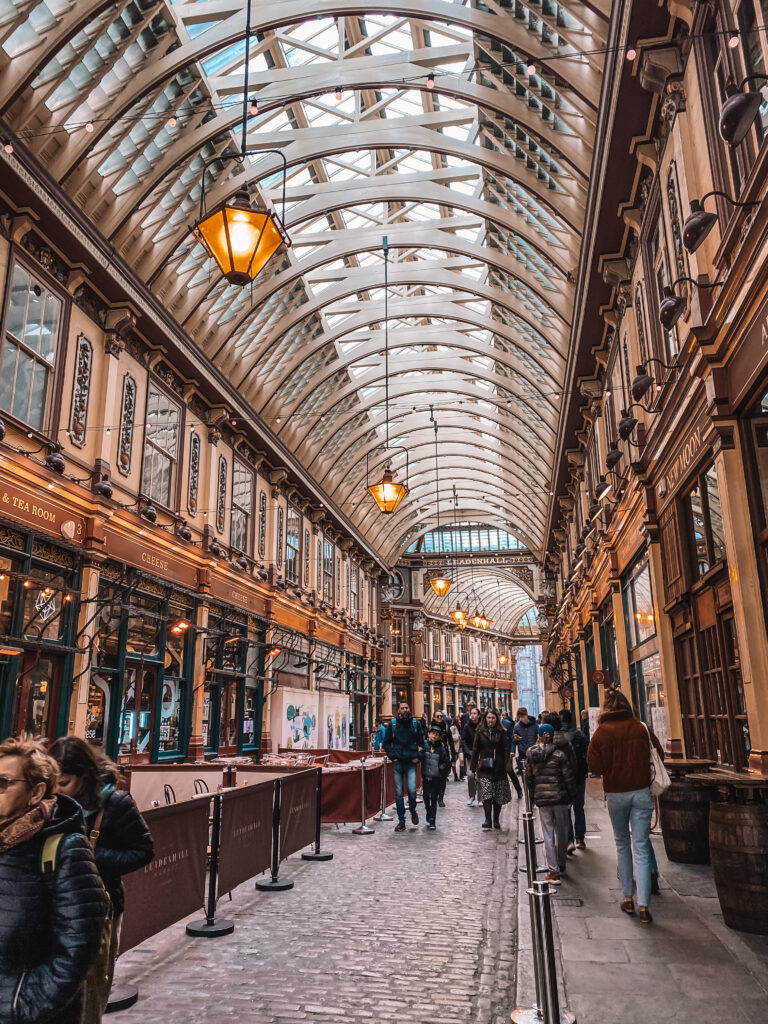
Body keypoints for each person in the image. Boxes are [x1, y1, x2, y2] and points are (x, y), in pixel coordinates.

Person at [0, 736, 108, 1024]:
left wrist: (23, 1005)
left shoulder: (63, 848)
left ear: (35, 792)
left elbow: (78, 945)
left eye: (3, 783)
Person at [49, 737, 154, 1024]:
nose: (57, 790)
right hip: (55, 908)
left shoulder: (115, 803)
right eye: (53, 782)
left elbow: (143, 851)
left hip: (99, 907)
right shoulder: (50, 803)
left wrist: (90, 855)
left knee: (90, 990)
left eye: (65, 782)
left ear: (84, 776)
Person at [587, 689, 664, 924]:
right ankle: (644, 906)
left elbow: (594, 767)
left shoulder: (602, 732)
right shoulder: (640, 728)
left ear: (606, 708)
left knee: (622, 844)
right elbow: (659, 753)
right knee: (640, 845)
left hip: (616, 794)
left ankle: (628, 897)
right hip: (641, 792)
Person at [525, 723, 575, 882]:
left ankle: (553, 870)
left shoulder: (531, 755)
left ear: (538, 736)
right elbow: (568, 777)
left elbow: (529, 779)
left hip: (543, 799)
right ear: (552, 736)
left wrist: (533, 796)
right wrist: (571, 796)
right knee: (562, 832)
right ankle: (561, 864)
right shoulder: (559, 755)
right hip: (560, 798)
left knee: (548, 834)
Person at [383, 701, 424, 831]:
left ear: (409, 709)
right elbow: (386, 743)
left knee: (412, 790)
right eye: (402, 708)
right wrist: (392, 756)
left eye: (407, 707)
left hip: (411, 762)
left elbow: (422, 743)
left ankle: (412, 809)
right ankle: (401, 820)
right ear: (398, 710)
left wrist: (418, 756)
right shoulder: (393, 725)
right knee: (399, 793)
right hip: (398, 763)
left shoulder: (415, 724)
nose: (405, 710)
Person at [470, 708, 512, 831]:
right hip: (484, 767)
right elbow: (475, 749)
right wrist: (472, 767)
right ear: (485, 719)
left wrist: (506, 765)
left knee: (498, 793)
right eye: (489, 718)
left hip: (499, 767)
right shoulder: (479, 731)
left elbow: (505, 749)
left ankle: (496, 819)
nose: (491, 720)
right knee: (487, 792)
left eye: (493, 718)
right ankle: (487, 819)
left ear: (497, 719)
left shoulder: (502, 732)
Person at [558, 708, 589, 851]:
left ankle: (569, 840)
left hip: (564, 779)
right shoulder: (580, 735)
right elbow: (587, 755)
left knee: (566, 810)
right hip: (578, 778)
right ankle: (580, 839)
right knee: (579, 808)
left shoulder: (557, 738)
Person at [421, 726, 451, 829]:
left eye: (437, 734)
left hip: (436, 777)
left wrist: (440, 769)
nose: (434, 736)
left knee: (433, 798)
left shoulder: (441, 748)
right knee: (425, 797)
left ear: (439, 737)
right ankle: (428, 812)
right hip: (425, 776)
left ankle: (432, 820)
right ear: (428, 734)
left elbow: (445, 761)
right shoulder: (424, 745)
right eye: (432, 733)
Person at [429, 711, 455, 805]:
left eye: (441, 716)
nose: (440, 717)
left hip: (443, 754)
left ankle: (441, 798)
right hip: (432, 754)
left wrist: (453, 757)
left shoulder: (446, 727)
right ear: (434, 717)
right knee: (432, 777)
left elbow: (451, 742)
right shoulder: (429, 727)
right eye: (438, 716)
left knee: (443, 777)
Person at [461, 706, 481, 806]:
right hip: (470, 755)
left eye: (474, 713)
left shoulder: (482, 726)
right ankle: (472, 795)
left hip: (481, 755)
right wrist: (468, 752)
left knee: (481, 776)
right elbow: (463, 740)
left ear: (478, 715)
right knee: (470, 775)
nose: (472, 715)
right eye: (471, 714)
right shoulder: (466, 726)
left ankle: (481, 798)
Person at [500, 710, 523, 798]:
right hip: (497, 753)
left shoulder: (508, 724)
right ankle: (502, 794)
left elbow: (512, 739)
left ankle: (519, 790)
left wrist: (512, 751)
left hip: (507, 752)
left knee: (510, 771)